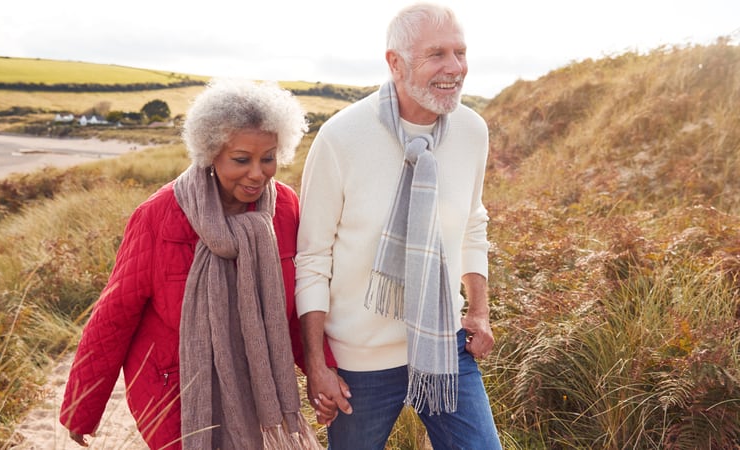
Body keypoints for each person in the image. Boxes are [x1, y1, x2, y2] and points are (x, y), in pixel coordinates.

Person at [59, 78, 336, 449]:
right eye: (241, 159)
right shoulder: (158, 216)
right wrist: (82, 408)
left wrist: (323, 372)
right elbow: (114, 316)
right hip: (176, 391)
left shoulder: (284, 209)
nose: (258, 173)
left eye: (268, 157)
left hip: (260, 385)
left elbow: (290, 306)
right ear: (210, 152)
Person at [295, 3, 502, 449]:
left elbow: (472, 223)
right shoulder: (341, 138)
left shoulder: (471, 131)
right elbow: (312, 258)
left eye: (460, 52)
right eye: (437, 55)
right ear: (395, 62)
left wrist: (479, 310)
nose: (455, 68)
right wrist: (317, 364)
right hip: (359, 362)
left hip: (444, 346)